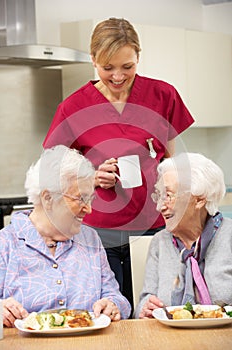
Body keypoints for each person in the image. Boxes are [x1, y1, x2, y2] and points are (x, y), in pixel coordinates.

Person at [43, 17, 194, 310]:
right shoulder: (73, 107)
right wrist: (91, 177)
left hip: (155, 225)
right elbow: (55, 167)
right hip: (97, 230)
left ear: (139, 57)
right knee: (111, 311)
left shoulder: (163, 96)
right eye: (107, 67)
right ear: (93, 60)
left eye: (127, 66)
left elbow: (172, 160)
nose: (117, 76)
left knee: (159, 309)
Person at [0, 145, 131, 327]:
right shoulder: (5, 243)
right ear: (48, 198)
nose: (89, 209)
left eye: (90, 199)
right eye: (81, 198)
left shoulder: (90, 239)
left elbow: (117, 298)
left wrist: (113, 305)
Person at [135, 152, 232, 319]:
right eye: (159, 196)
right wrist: (145, 309)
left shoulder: (228, 236)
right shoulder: (160, 242)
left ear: (200, 200)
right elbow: (143, 303)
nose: (160, 207)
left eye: (169, 196)